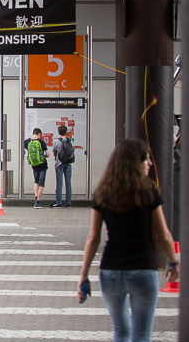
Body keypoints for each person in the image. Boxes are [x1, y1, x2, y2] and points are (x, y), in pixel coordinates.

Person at [79, 139, 179, 341]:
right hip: (143, 270)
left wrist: (84, 275)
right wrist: (174, 263)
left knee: (121, 331)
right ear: (135, 161)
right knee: (141, 334)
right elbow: (166, 235)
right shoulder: (148, 190)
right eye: (146, 158)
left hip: (111, 272)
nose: (149, 163)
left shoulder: (102, 191)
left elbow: (93, 237)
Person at [24, 127, 49, 209]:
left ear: (33, 134)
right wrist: (44, 155)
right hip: (42, 164)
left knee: (36, 181)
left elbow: (28, 151)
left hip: (34, 164)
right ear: (40, 134)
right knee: (42, 184)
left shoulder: (27, 142)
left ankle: (35, 198)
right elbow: (48, 154)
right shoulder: (41, 142)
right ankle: (38, 202)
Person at [52, 125, 74, 208]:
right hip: (68, 163)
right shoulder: (70, 141)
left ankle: (59, 202)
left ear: (58, 132)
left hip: (59, 164)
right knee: (68, 183)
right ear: (66, 132)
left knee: (59, 183)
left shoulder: (56, 142)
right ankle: (68, 203)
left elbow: (54, 152)